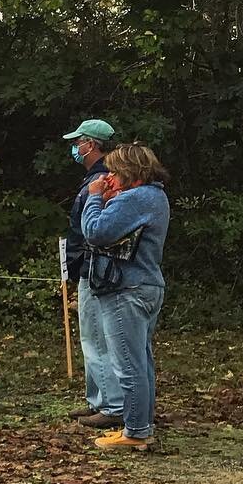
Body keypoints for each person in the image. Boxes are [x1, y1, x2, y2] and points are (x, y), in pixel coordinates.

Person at [80, 143, 171, 451]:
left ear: (132, 173)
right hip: (147, 285)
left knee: (128, 365)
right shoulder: (156, 197)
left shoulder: (134, 198)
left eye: (116, 172)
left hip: (125, 289)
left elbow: (95, 232)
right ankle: (142, 425)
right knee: (141, 362)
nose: (111, 177)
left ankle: (135, 430)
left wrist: (94, 197)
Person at [61, 118, 122, 428]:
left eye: (78, 142)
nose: (75, 147)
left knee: (96, 337)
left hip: (95, 268)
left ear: (92, 145)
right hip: (88, 266)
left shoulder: (103, 180)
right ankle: (97, 400)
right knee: (92, 336)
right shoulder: (94, 179)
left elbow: (93, 229)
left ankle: (111, 406)